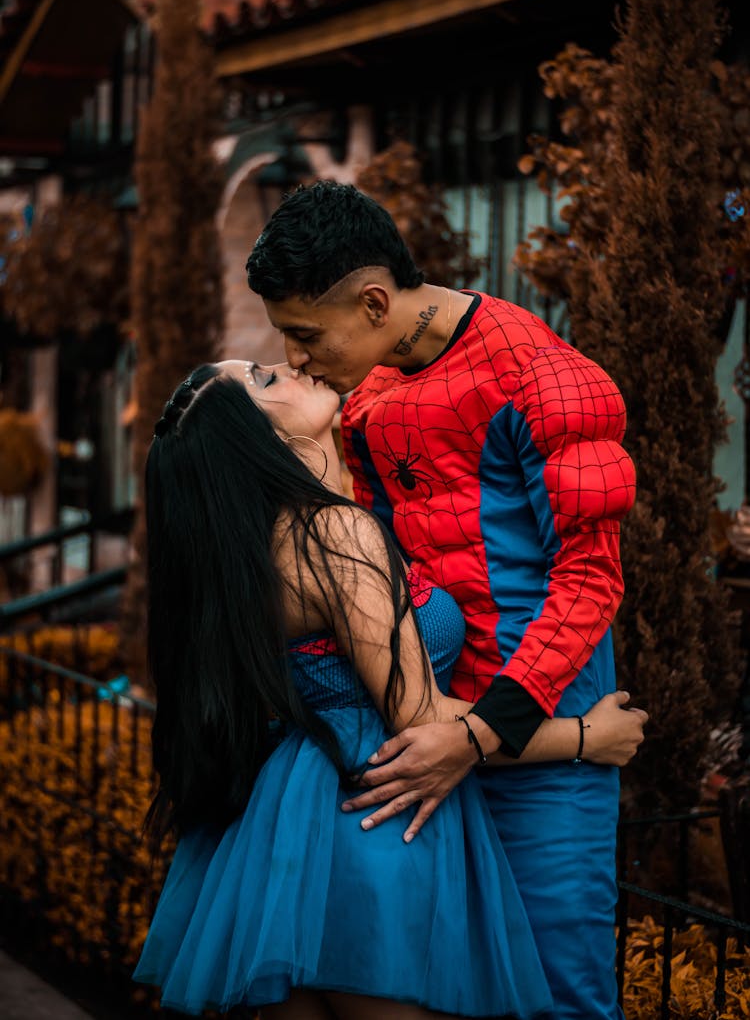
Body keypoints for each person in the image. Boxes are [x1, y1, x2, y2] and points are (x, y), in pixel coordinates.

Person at [134, 358, 646, 1020]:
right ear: (259, 440)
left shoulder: (253, 558)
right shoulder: (333, 534)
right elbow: (422, 720)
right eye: (264, 378)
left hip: (288, 833)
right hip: (378, 827)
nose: (289, 364)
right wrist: (585, 737)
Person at [246, 181, 639, 1020]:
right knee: (443, 990)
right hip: (418, 723)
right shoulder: (368, 394)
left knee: (555, 989)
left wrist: (480, 731)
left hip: (536, 736)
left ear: (376, 299)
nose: (299, 356)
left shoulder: (547, 378)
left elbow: (590, 578)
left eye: (306, 333)